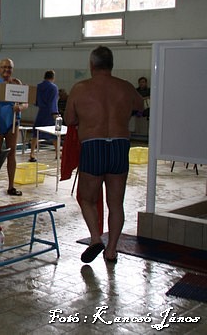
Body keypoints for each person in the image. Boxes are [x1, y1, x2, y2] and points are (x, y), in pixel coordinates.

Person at [65, 46, 143, 264]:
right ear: (111, 65)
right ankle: (111, 250)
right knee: (116, 204)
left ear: (92, 65)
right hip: (119, 145)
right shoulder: (125, 87)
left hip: (93, 145)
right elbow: (140, 105)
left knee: (87, 199)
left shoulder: (80, 88)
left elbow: (69, 119)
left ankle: (95, 238)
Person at [0, 58, 27, 196]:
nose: (6, 70)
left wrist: (20, 107)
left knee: (12, 153)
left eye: (9, 67)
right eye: (4, 67)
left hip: (12, 122)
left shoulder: (17, 83)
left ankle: (11, 186)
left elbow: (25, 103)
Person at [29, 70, 59, 162]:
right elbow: (53, 102)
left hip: (41, 111)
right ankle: (57, 153)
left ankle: (32, 153)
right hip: (50, 112)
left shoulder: (38, 86)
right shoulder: (53, 87)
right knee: (54, 134)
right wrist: (55, 113)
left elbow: (35, 101)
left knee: (36, 132)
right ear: (53, 77)